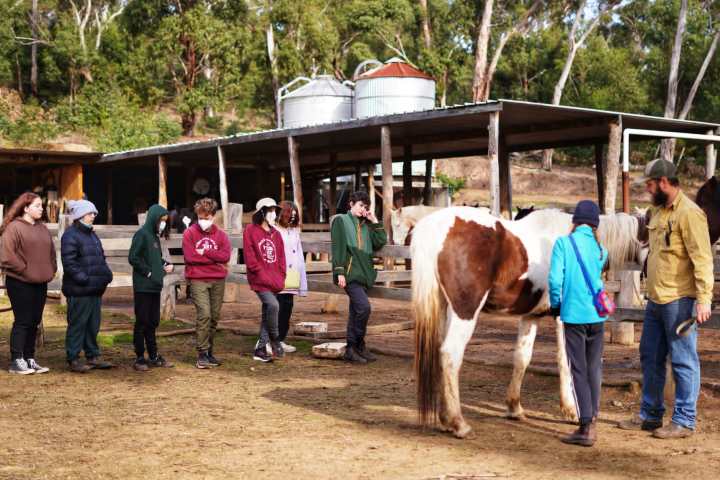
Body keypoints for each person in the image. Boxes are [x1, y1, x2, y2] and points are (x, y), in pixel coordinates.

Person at [618, 159, 713, 439]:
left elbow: (703, 259)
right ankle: (650, 415)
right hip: (656, 299)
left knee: (684, 360)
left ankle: (684, 420)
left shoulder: (690, 214)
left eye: (649, 184)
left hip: (680, 300)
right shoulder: (657, 212)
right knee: (650, 357)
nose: (647, 190)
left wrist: (704, 299)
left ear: (662, 182)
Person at [548, 200, 608, 447]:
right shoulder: (600, 249)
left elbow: (554, 279)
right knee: (594, 368)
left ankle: (585, 427)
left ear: (575, 220)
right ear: (595, 223)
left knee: (578, 370)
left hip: (574, 316)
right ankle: (593, 416)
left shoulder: (563, 243)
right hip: (597, 316)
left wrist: (555, 305)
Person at [0, 192, 56, 374]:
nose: (42, 209)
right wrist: (26, 270)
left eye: (42, 205)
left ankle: (29, 358)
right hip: (20, 282)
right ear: (25, 208)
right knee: (23, 321)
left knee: (34, 321)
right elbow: (7, 256)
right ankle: (17, 360)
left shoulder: (42, 228)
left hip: (40, 282)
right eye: (37, 205)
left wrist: (51, 269)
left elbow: (51, 252)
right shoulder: (14, 228)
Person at [330, 191, 387, 364]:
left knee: (356, 311)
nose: (363, 209)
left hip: (364, 274)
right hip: (350, 274)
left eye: (365, 206)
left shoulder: (366, 225)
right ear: (351, 204)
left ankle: (354, 348)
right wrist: (339, 271)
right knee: (364, 308)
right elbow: (338, 247)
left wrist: (374, 220)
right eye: (361, 205)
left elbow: (380, 241)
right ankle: (355, 345)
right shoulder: (341, 220)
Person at [61, 200, 114, 373]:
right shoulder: (70, 235)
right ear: (80, 215)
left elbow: (101, 258)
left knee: (93, 325)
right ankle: (73, 358)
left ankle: (93, 355)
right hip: (80, 290)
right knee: (77, 324)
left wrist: (106, 274)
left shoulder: (92, 234)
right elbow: (69, 263)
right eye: (91, 213)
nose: (94, 216)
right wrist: (84, 279)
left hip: (95, 289)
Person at [182, 198, 231, 369]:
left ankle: (210, 351)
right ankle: (202, 353)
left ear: (213, 216)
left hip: (218, 279)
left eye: (207, 217)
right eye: (201, 217)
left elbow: (226, 256)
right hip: (198, 279)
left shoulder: (221, 235)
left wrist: (205, 252)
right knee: (204, 314)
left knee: (214, 317)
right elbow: (190, 257)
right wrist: (214, 258)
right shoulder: (189, 233)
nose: (204, 221)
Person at [128, 204, 175, 372]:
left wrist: (165, 264)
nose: (163, 224)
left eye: (165, 221)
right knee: (142, 321)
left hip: (155, 286)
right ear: (154, 218)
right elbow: (133, 257)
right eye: (161, 220)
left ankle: (153, 355)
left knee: (153, 322)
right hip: (143, 287)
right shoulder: (141, 235)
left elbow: (156, 259)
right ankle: (140, 357)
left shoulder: (155, 237)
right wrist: (148, 273)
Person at [258, 201, 307, 354]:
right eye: (289, 215)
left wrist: (301, 279)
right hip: (277, 273)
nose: (291, 218)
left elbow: (298, 254)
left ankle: (279, 339)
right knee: (274, 307)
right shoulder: (273, 231)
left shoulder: (294, 231)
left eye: (294, 215)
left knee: (287, 307)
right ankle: (265, 342)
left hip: (292, 274)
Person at [244, 198, 286, 363]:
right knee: (274, 305)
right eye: (269, 210)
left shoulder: (276, 233)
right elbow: (250, 256)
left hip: (274, 280)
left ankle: (260, 349)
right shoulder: (250, 230)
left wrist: (281, 275)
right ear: (261, 212)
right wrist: (260, 273)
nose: (272, 214)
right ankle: (275, 338)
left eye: (274, 210)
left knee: (267, 313)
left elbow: (281, 257)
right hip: (259, 279)